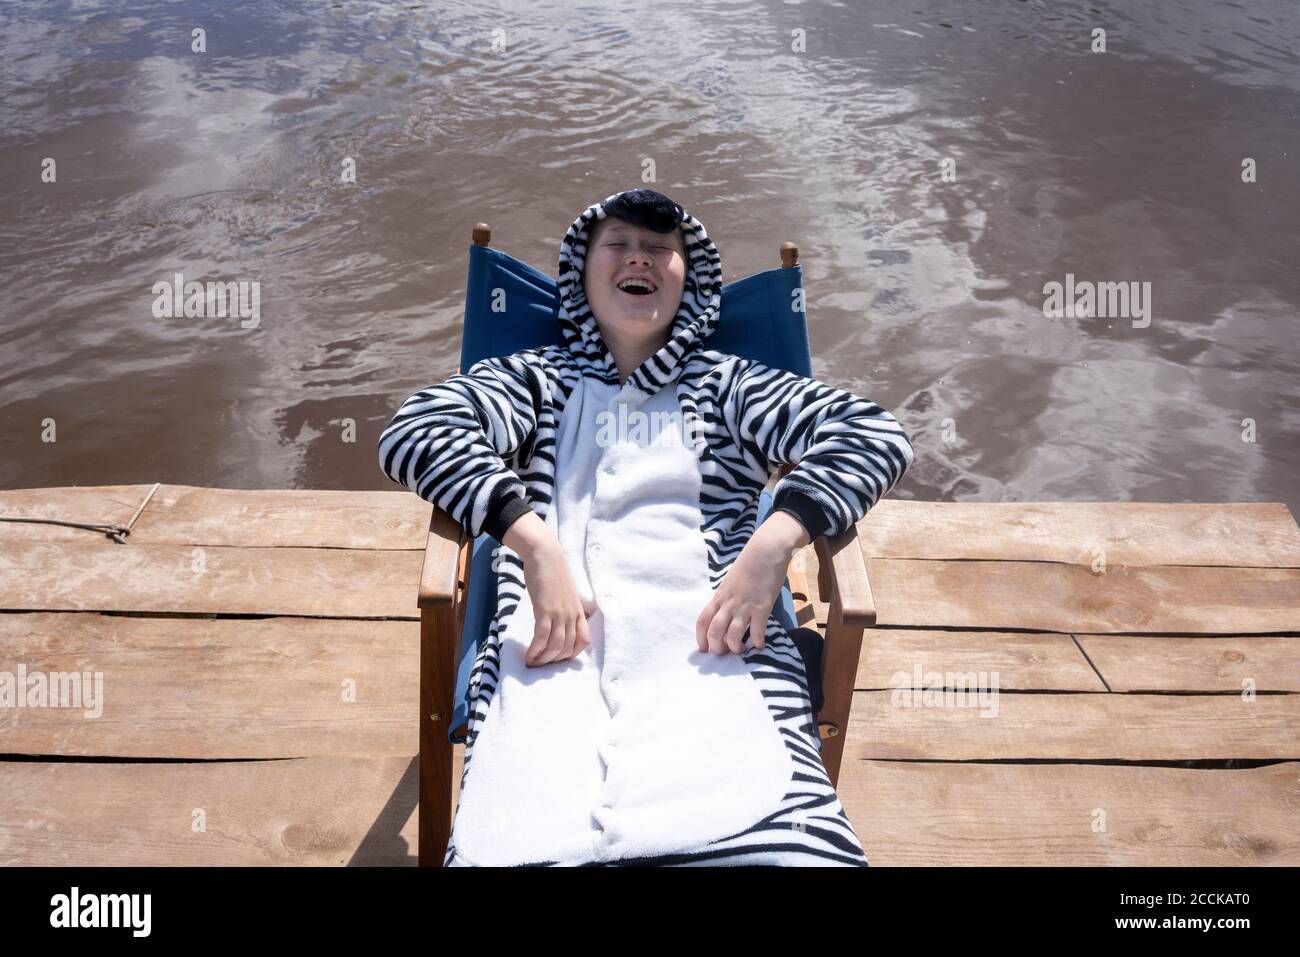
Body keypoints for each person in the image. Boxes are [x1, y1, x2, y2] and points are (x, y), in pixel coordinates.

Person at [378, 188, 915, 866]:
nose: (640, 258)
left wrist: (777, 538)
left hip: (715, 655)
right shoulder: (536, 381)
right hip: (550, 657)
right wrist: (532, 541)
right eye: (619, 244)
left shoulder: (728, 387)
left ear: (690, 281)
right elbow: (415, 428)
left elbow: (873, 432)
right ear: (584, 272)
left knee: (781, 842)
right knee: (522, 830)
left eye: (660, 249)